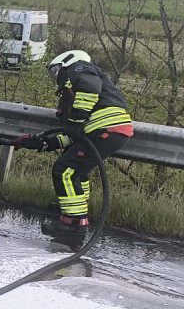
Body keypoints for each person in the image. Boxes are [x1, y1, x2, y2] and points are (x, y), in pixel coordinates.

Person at [12, 50, 134, 237]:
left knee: (64, 170)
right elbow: (73, 135)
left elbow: (89, 87)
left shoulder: (80, 68)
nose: (56, 76)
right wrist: (43, 143)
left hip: (106, 129)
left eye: (55, 70)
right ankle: (73, 211)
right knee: (78, 172)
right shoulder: (78, 93)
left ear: (66, 62)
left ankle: (74, 223)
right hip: (108, 131)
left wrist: (76, 120)